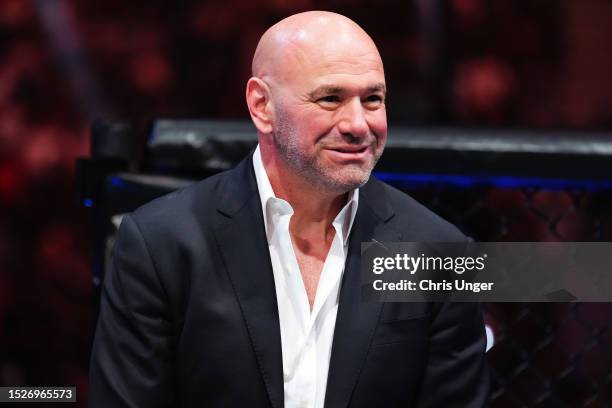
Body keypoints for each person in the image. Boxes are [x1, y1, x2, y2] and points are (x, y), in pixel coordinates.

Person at [89, 11, 489, 408]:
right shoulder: (160, 242)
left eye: (372, 99)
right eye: (330, 98)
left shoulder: (440, 253)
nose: (357, 124)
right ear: (262, 105)